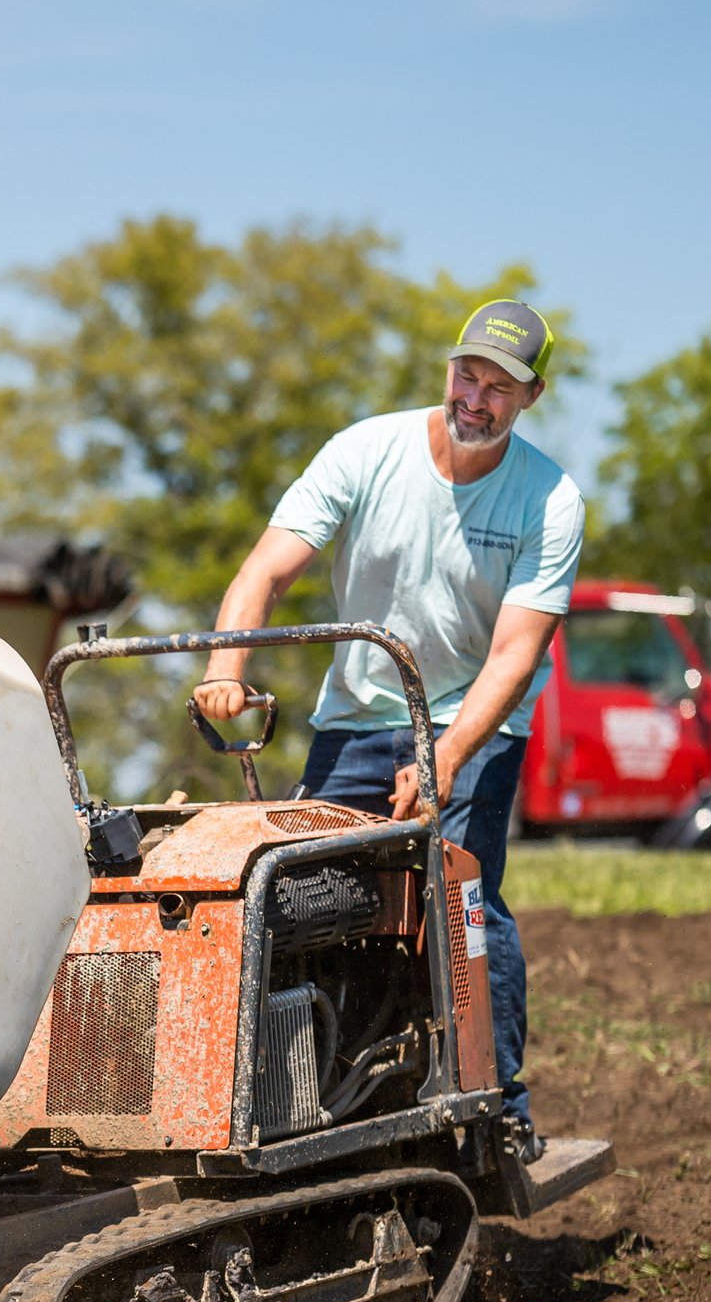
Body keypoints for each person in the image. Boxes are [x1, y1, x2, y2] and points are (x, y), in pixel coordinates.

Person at [192, 299, 584, 1161]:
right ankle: (302, 1086)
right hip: (358, 711)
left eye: (498, 389)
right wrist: (226, 666)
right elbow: (268, 566)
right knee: (285, 889)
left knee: (461, 891)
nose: (474, 400)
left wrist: (442, 757)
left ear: (531, 397)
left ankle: (497, 1096)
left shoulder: (549, 499)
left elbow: (515, 658)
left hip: (471, 718)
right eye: (466, 376)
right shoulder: (366, 451)